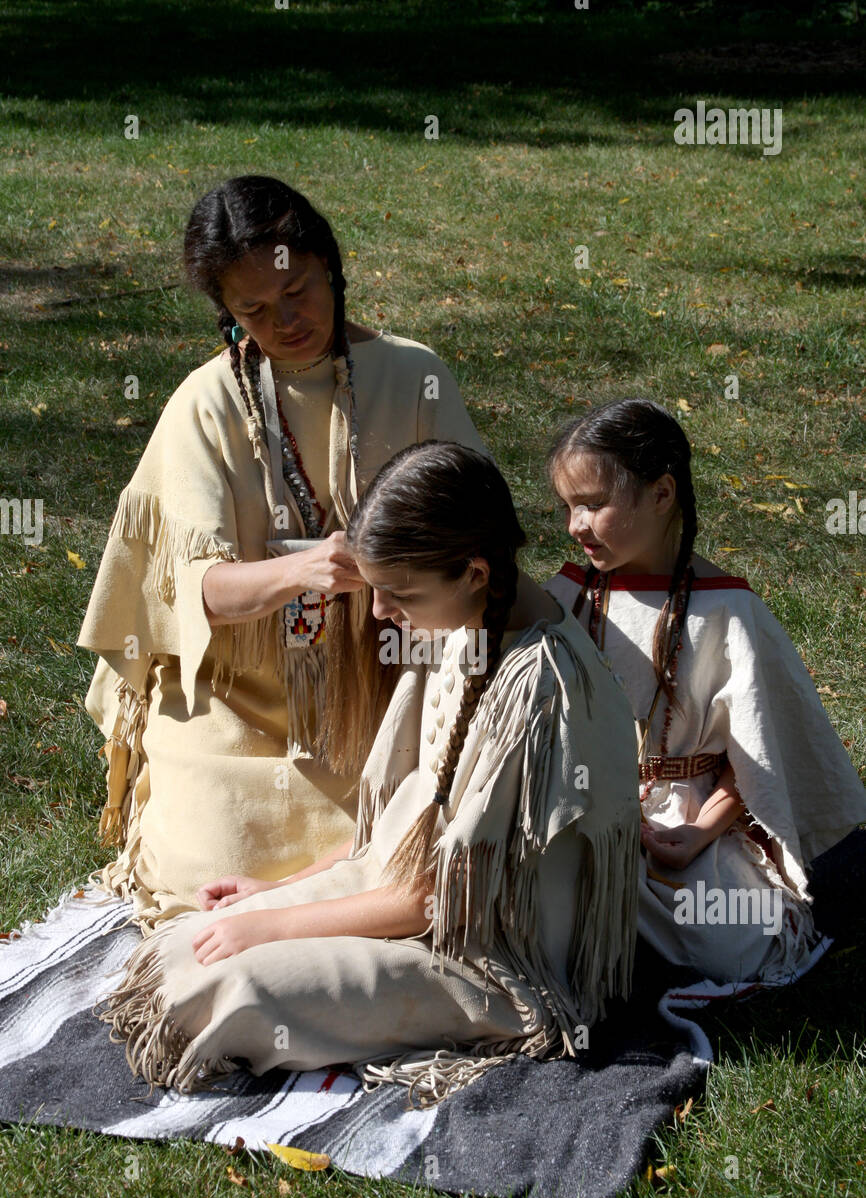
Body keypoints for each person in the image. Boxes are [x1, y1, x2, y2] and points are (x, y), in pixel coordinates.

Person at [96, 442, 640, 1108]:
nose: (380, 612)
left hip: (496, 967)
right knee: (182, 945)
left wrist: (265, 928)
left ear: (473, 572)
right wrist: (277, 890)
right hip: (404, 894)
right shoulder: (464, 619)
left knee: (225, 989)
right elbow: (398, 836)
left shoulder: (539, 688)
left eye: (397, 593)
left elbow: (436, 903)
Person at [77, 176, 491, 933]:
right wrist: (302, 570)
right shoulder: (206, 404)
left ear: (329, 266)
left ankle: (323, 912)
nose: (285, 320)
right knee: (205, 879)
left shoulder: (414, 374)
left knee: (426, 848)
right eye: (252, 312)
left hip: (392, 687)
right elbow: (192, 591)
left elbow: (481, 530)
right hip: (241, 708)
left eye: (296, 291)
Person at [543, 398, 866, 986]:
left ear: (662, 493)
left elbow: (762, 752)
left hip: (687, 821)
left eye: (594, 504)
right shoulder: (565, 600)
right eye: (568, 507)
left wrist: (696, 834)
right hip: (583, 808)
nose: (576, 525)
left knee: (725, 944)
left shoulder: (729, 610)